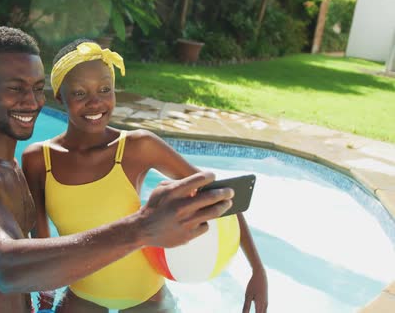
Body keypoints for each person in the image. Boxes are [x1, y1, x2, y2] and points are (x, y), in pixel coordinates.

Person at [0, 26, 235, 313]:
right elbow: (6, 268)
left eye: (36, 88)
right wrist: (143, 227)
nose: (31, 102)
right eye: (15, 88)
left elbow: (34, 253)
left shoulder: (12, 166)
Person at [21, 39, 268, 313]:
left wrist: (258, 271)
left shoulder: (138, 147)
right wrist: (43, 299)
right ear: (59, 96)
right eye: (80, 93)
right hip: (81, 298)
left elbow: (224, 195)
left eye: (105, 89)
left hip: (146, 300)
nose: (95, 102)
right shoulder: (38, 160)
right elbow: (41, 243)